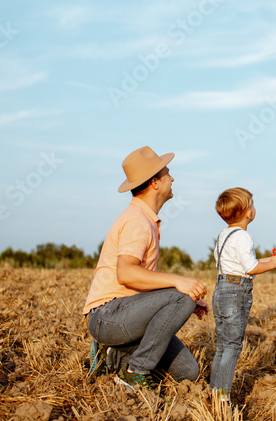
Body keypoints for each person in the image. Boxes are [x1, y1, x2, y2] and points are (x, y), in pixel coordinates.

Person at [82, 146, 209, 391]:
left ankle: (114, 356)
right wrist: (179, 285)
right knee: (180, 293)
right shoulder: (137, 221)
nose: (172, 179)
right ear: (155, 183)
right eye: (167, 174)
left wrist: (181, 299)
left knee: (187, 372)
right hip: (107, 316)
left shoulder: (144, 219)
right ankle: (135, 371)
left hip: (125, 314)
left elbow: (140, 285)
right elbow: (126, 274)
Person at [210, 187, 276, 403]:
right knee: (233, 346)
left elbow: (241, 264)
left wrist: (274, 262)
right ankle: (223, 397)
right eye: (252, 204)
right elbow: (250, 268)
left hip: (221, 290)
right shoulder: (244, 236)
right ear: (248, 212)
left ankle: (214, 391)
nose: (255, 208)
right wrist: (272, 263)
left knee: (223, 345)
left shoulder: (224, 235)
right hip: (237, 292)